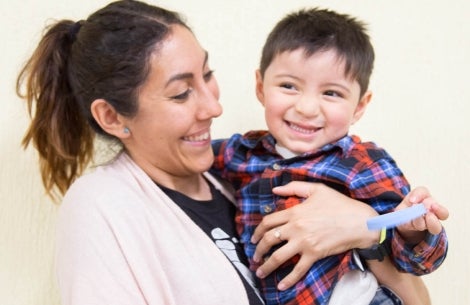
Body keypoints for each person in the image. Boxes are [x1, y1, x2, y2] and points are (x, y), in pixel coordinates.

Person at [16, 1, 446, 304]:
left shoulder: (229, 178)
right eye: (182, 93)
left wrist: (369, 229)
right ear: (111, 117)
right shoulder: (104, 205)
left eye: (208, 75)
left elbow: (416, 295)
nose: (214, 107)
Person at [211, 8, 448, 305]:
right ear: (261, 87)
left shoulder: (363, 163)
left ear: (359, 106)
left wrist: (413, 233)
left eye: (332, 93)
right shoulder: (242, 152)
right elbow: (186, 154)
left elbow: (417, 260)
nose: (307, 108)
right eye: (289, 86)